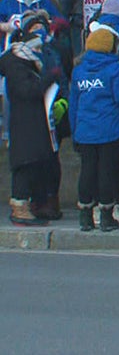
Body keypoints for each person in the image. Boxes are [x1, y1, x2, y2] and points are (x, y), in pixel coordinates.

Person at [69, 25, 119, 232]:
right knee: (107, 172)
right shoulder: (114, 69)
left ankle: (85, 215)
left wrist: (75, 130)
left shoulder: (79, 70)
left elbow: (74, 103)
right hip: (109, 129)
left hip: (85, 130)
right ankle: (106, 215)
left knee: (87, 171)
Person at [0, 28, 65, 226]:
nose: (39, 52)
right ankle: (20, 207)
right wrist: (48, 79)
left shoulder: (25, 64)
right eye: (36, 47)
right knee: (25, 167)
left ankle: (32, 205)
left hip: (33, 125)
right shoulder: (16, 66)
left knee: (34, 165)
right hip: (24, 127)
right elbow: (29, 92)